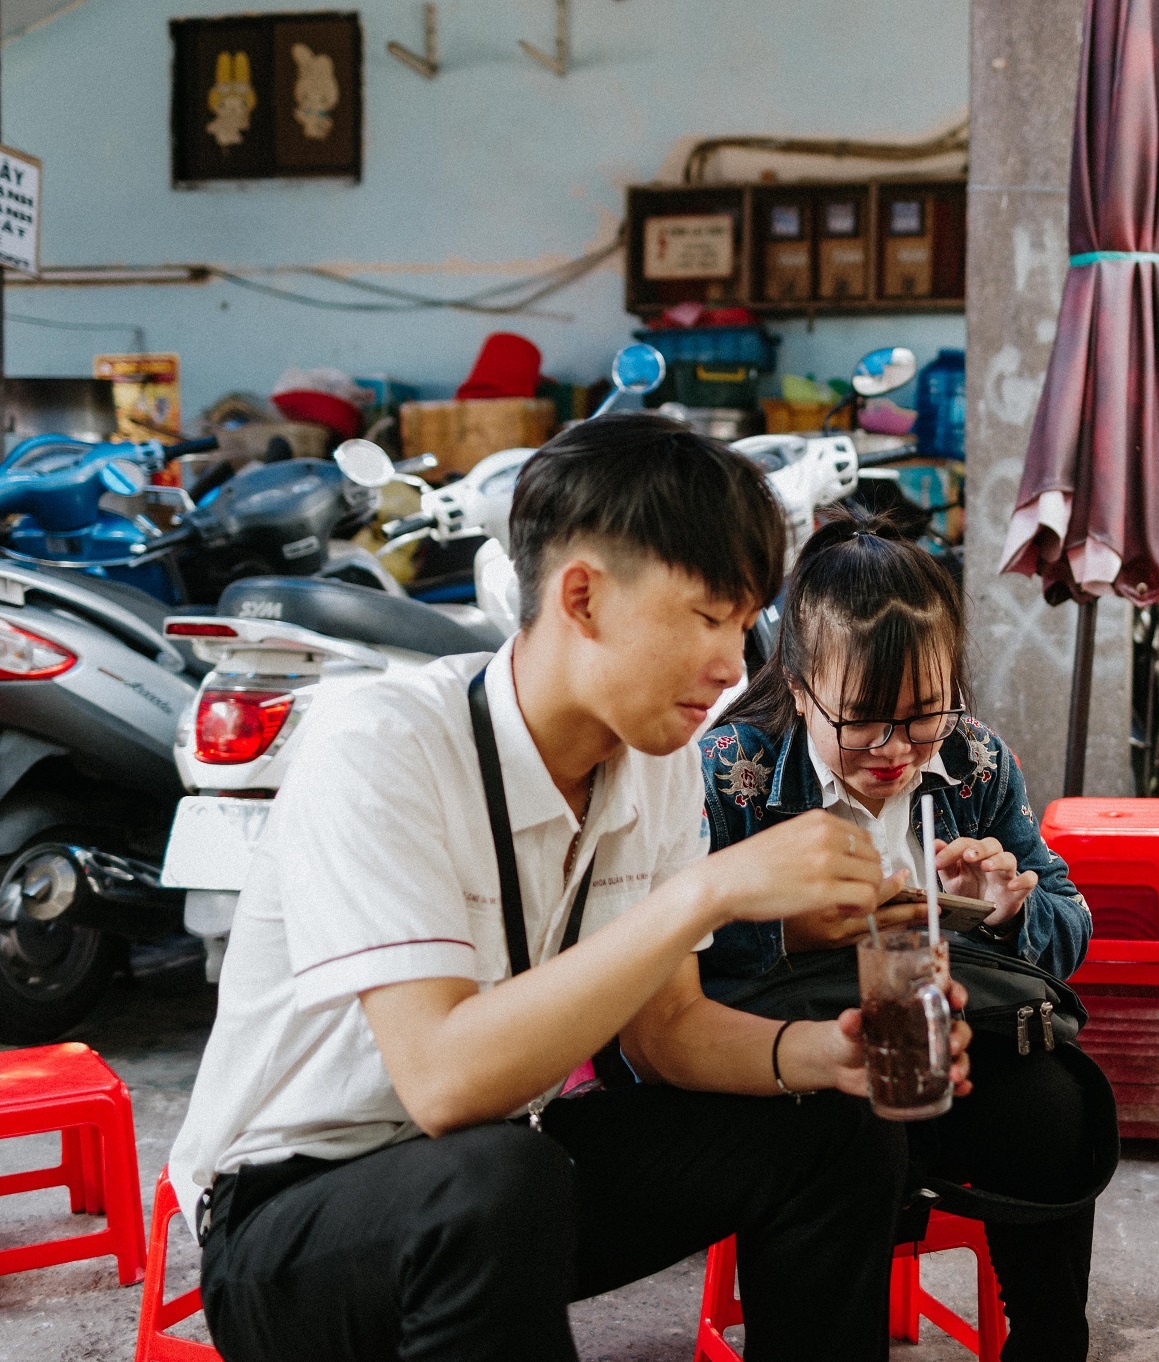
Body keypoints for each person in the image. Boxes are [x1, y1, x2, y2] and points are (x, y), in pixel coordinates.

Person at [169, 414, 971, 1362]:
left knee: (837, 1128)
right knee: (498, 1180)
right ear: (582, 597)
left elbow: (666, 1030)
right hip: (293, 1216)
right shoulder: (380, 748)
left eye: (743, 622)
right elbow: (443, 1083)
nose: (732, 666)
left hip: (511, 1176)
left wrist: (823, 1056)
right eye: (707, 618)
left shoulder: (655, 763)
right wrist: (707, 892)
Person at [697, 514, 1105, 1362]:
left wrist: (1003, 913)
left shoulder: (976, 765)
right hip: (795, 1067)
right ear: (803, 686)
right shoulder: (730, 773)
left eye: (924, 715)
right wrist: (801, 932)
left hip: (947, 1053)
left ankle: (1049, 1342)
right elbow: (671, 968)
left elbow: (1071, 931)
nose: (895, 750)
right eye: (863, 721)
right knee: (859, 1138)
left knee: (1058, 1109)